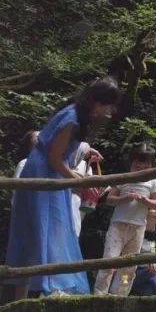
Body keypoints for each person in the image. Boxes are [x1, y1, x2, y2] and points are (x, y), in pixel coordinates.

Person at [6, 77, 119, 297]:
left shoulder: (75, 113)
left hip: (49, 172)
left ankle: (37, 294)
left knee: (41, 231)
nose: (109, 110)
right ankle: (35, 295)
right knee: (40, 231)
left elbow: (60, 159)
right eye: (108, 104)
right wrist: (78, 180)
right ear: (97, 102)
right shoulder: (72, 119)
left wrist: (74, 174)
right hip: (43, 174)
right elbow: (54, 159)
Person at [95, 142, 156, 295]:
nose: (140, 171)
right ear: (131, 163)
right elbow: (109, 199)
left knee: (129, 266)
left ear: (151, 167)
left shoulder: (153, 182)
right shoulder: (124, 178)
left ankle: (120, 294)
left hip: (138, 228)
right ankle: (100, 294)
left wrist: (145, 201)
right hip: (118, 226)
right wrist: (124, 199)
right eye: (137, 167)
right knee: (109, 261)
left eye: (145, 168)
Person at [127, 207, 156, 296]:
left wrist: (155, 261)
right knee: (155, 274)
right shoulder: (134, 230)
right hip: (130, 274)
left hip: (152, 273)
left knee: (150, 289)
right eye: (153, 209)